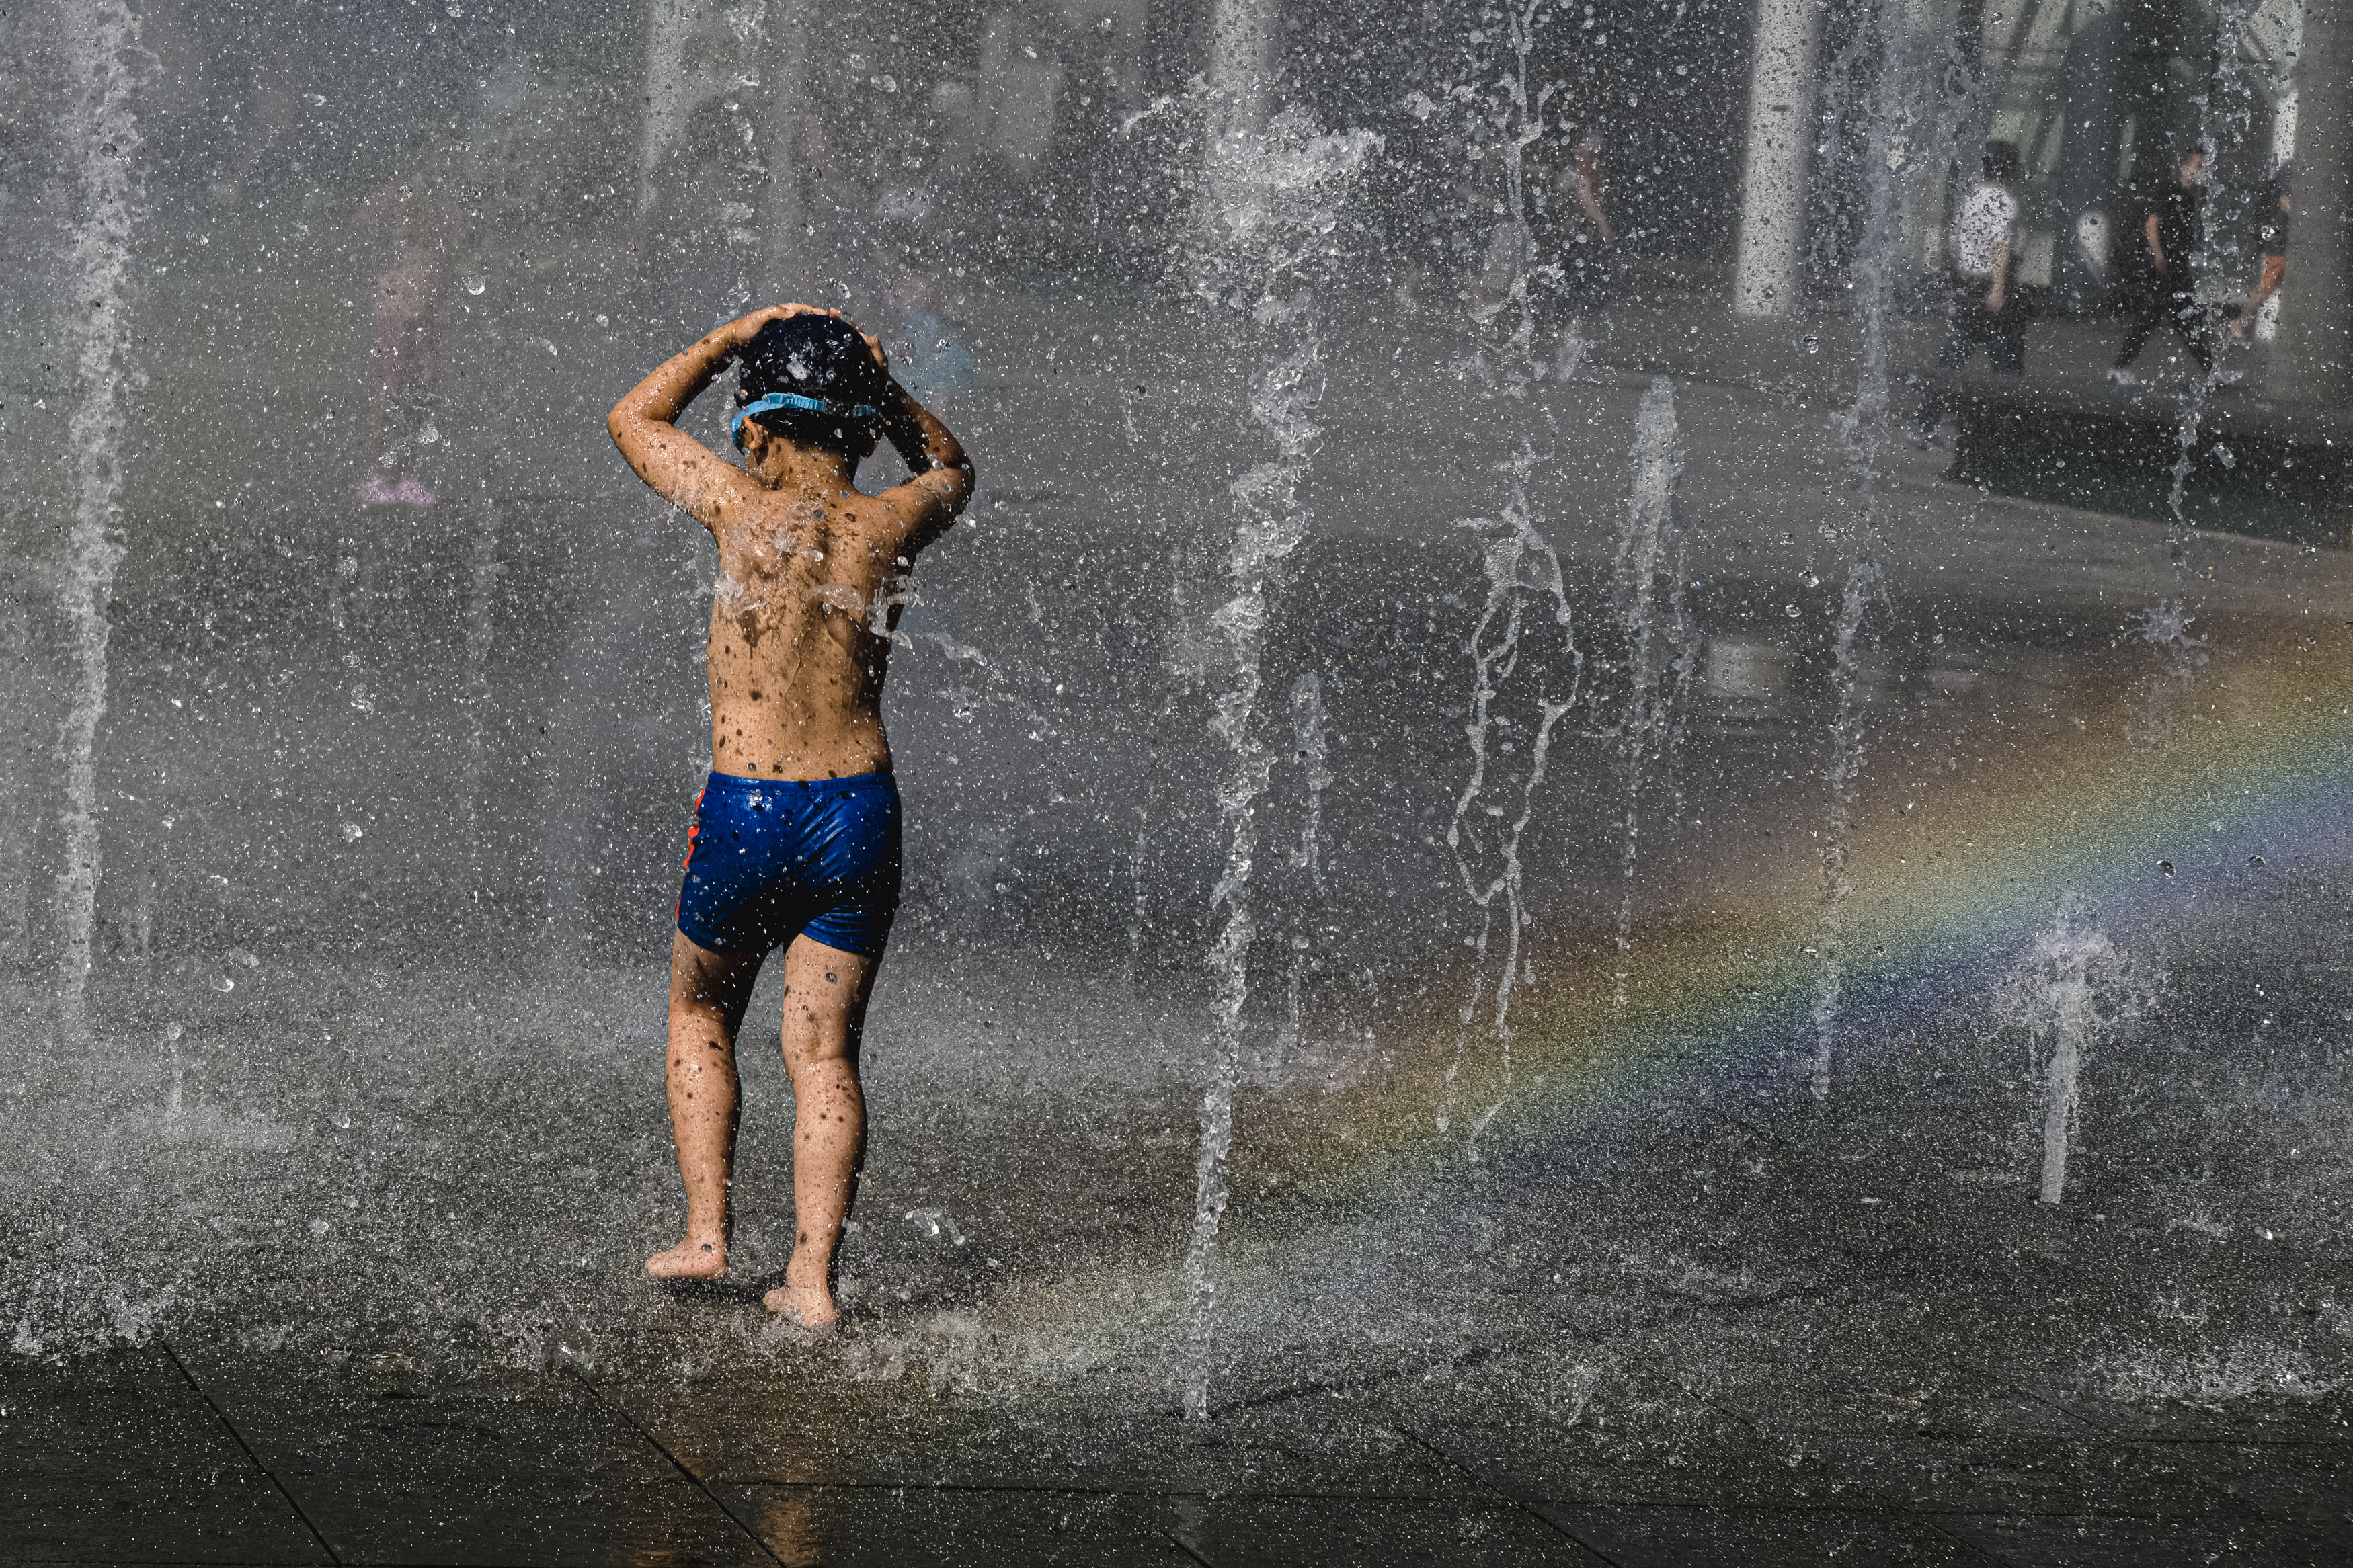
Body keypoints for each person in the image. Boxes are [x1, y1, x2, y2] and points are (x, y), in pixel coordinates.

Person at [606, 303, 973, 1329]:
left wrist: (728, 337)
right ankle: (811, 1279)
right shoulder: (889, 524)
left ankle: (707, 1231)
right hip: (856, 810)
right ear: (860, 429)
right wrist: (886, 386)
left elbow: (633, 420)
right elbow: (952, 468)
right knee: (821, 1055)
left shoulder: (736, 506)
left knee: (699, 1013)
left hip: (747, 805)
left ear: (758, 430)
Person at [1915, 140, 2024, 444]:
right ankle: (2009, 431)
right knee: (2007, 367)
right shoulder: (2004, 201)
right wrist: (1998, 289)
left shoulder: (1971, 197)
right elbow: (2000, 247)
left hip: (1967, 286)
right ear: (2010, 169)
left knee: (1952, 359)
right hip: (1992, 288)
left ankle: (1926, 424)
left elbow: (1953, 244)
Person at [2109, 147, 2213, 384]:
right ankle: (2119, 367)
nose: (2202, 171)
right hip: (2164, 268)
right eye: (2198, 166)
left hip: (2176, 267)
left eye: (2205, 167)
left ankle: (2212, 370)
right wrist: (2158, 255)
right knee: (2163, 319)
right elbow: (2151, 223)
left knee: (2180, 320)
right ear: (2184, 168)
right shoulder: (2171, 192)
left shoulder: (2191, 196)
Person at [2227, 164, 2292, 341]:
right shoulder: (2291, 169)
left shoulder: (2290, 169)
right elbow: (2285, 202)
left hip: (2278, 236)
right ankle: (2241, 320)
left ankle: (2242, 320)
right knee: (2267, 285)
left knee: (2269, 285)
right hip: (2279, 238)